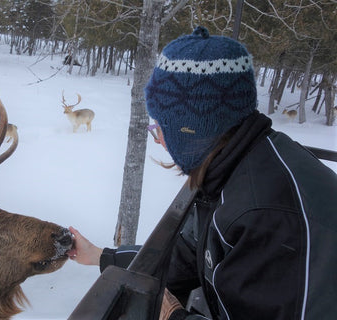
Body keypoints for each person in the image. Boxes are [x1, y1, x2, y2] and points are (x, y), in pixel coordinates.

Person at [67, 26, 337, 319]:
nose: (159, 140)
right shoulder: (231, 170)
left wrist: (172, 316)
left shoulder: (266, 215)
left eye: (160, 128)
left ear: (191, 131)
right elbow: (183, 257)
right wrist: (102, 256)